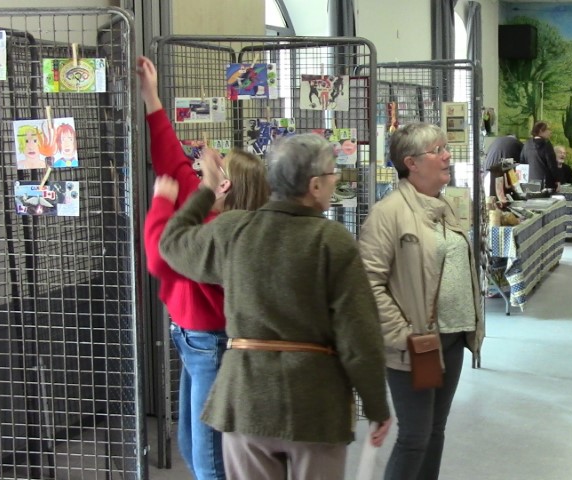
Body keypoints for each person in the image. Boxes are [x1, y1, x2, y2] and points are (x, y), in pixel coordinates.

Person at [158, 133, 392, 480]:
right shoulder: (333, 242)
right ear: (314, 186)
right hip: (316, 408)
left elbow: (170, 243)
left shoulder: (234, 230)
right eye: (333, 173)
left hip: (245, 401)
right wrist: (376, 405)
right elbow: (360, 336)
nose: (336, 180)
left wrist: (206, 190)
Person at [137, 55, 270, 480]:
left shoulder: (221, 231)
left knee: (209, 455)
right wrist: (152, 97)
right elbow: (171, 161)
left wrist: (162, 204)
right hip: (192, 339)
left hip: (211, 343)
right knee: (191, 444)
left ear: (224, 185)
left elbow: (160, 256)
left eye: (216, 166)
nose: (202, 164)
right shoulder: (205, 206)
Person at [358, 123, 484, 480]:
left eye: (445, 148)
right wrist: (405, 335)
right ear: (410, 163)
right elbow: (367, 283)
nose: (447, 156)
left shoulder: (441, 205)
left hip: (453, 337)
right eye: (437, 150)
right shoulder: (388, 213)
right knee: (414, 436)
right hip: (416, 345)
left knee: (434, 431)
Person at [520, 121, 560, 190]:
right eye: (548, 129)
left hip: (530, 184)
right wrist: (557, 180)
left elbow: (522, 163)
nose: (550, 132)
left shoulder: (526, 144)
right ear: (541, 130)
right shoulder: (546, 144)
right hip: (546, 184)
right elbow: (552, 165)